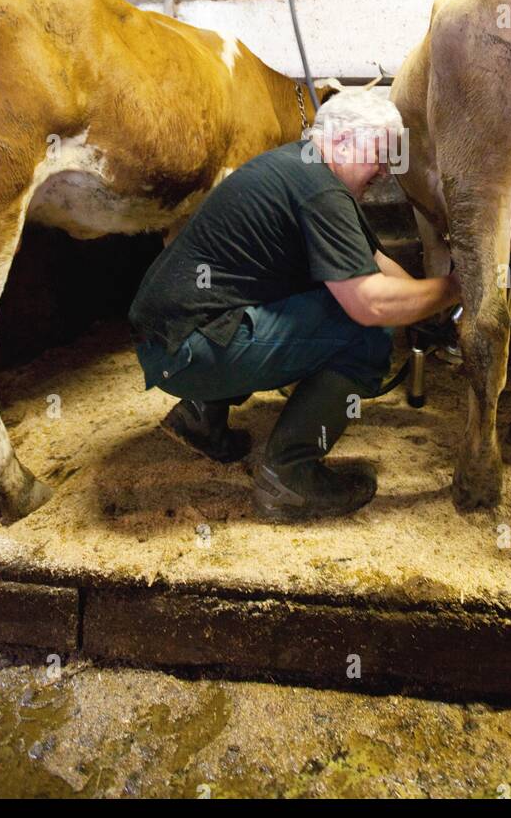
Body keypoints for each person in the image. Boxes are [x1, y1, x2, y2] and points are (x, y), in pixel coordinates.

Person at [129, 86, 460, 520]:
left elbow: (377, 264)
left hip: (169, 335)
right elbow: (371, 305)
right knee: (366, 329)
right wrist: (458, 286)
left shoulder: (303, 169)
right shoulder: (320, 190)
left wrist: (427, 307)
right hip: (188, 347)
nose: (385, 171)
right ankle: (289, 479)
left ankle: (200, 419)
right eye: (380, 154)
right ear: (343, 140)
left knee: (306, 290)